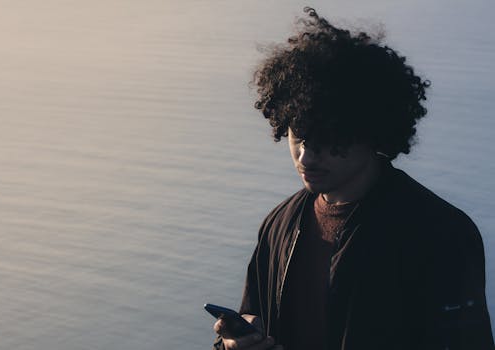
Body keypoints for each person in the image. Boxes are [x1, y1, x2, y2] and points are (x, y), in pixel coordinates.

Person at [211, 7, 494, 350]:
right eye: (298, 135)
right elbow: (253, 317)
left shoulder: (439, 234)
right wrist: (234, 345)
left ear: (374, 133)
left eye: (331, 140)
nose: (306, 156)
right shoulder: (278, 226)